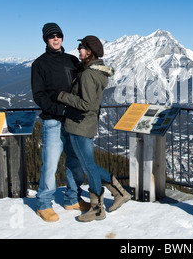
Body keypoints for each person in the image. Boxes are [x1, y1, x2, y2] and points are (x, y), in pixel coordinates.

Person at [56, 35, 131, 222]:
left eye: (81, 47)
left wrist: (63, 96)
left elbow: (87, 104)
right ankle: (119, 192)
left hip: (80, 125)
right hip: (86, 125)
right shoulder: (95, 72)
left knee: (88, 166)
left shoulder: (88, 74)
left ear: (89, 51)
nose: (79, 49)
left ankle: (97, 209)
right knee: (88, 164)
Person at [31, 23, 90, 222]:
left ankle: (72, 198)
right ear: (46, 40)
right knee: (50, 164)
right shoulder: (39, 64)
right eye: (51, 36)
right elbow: (39, 96)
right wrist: (59, 109)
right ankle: (44, 204)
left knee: (75, 161)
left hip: (73, 121)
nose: (55, 39)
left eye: (58, 35)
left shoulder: (72, 60)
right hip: (53, 121)